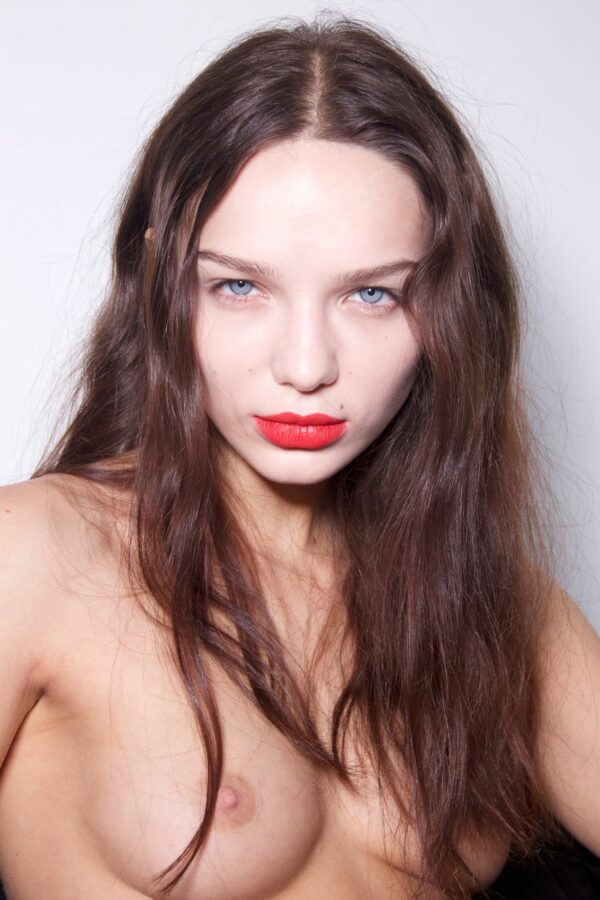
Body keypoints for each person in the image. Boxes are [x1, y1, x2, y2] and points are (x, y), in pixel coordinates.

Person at [0, 12, 599, 900]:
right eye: (240, 286)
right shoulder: (34, 556)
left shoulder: (489, 601)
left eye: (372, 295)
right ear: (163, 284)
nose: (307, 366)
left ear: (448, 312)